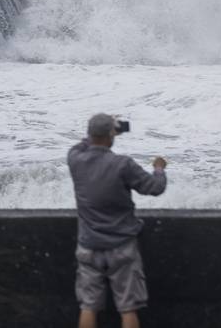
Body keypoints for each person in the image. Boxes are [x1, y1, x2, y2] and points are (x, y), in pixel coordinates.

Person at [67, 113, 167, 328]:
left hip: (88, 246)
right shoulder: (122, 164)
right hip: (122, 246)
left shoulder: (75, 159)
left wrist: (103, 130)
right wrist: (159, 168)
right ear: (112, 134)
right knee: (128, 308)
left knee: (88, 306)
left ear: (90, 134)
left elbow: (84, 143)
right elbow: (155, 188)